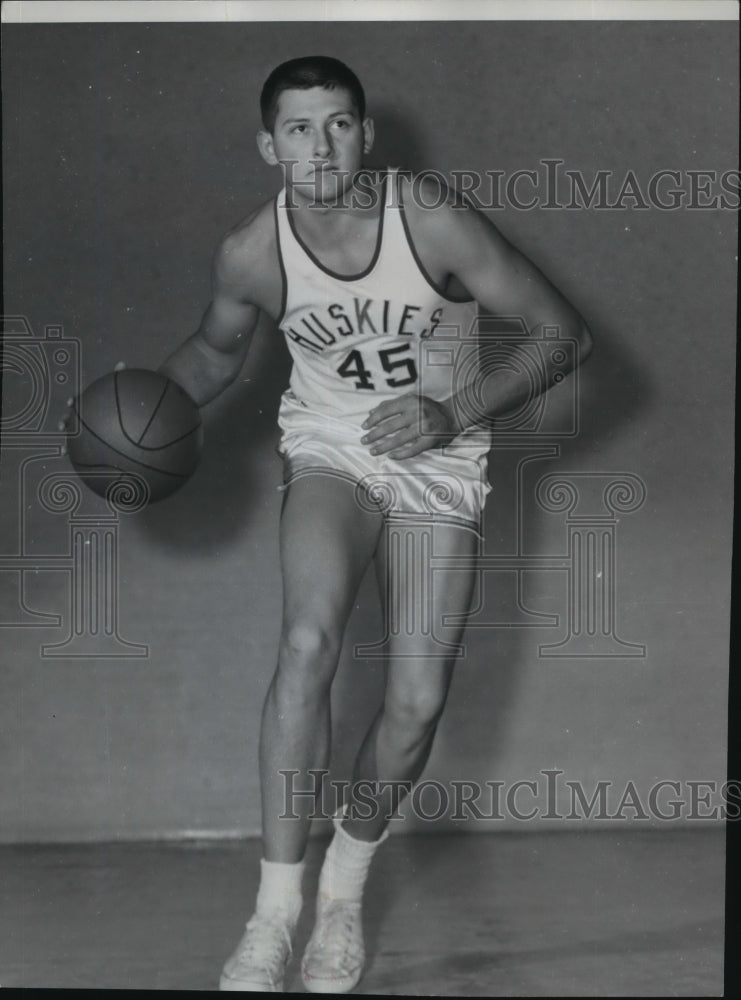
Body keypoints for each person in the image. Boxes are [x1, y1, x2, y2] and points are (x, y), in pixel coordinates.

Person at [158, 56, 593, 993]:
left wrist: (454, 411)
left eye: (341, 124)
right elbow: (212, 350)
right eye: (301, 128)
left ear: (366, 133)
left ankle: (343, 898)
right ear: (268, 145)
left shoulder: (425, 216)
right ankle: (273, 916)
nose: (323, 145)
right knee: (308, 642)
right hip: (331, 451)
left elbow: (563, 335)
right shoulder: (252, 251)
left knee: (414, 703)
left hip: (439, 455)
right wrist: (150, 410)